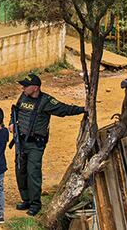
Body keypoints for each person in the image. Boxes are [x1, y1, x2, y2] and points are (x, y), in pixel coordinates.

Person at [10, 73, 85, 216]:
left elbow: (64, 109)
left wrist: (83, 109)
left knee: (33, 173)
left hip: (35, 145)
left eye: (26, 85)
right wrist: (12, 123)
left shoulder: (46, 101)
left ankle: (35, 204)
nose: (23, 88)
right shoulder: (23, 97)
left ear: (36, 88)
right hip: (20, 142)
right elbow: (15, 112)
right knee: (21, 171)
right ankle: (26, 199)